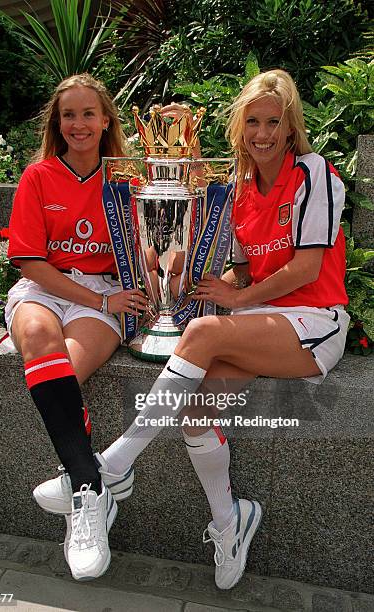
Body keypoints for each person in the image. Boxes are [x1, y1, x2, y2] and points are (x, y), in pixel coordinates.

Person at [34, 69, 349, 589]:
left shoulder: (315, 173)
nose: (263, 134)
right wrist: (192, 287)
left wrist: (234, 299)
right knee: (194, 413)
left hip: (315, 322)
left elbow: (307, 268)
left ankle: (109, 468)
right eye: (253, 122)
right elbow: (244, 270)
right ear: (239, 128)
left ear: (291, 129)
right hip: (262, 323)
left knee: (202, 334)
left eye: (274, 122)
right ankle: (230, 522)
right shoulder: (242, 191)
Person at [5, 73, 148, 581]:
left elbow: (145, 249)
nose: (79, 124)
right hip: (49, 289)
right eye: (69, 115)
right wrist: (97, 297)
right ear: (57, 123)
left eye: (89, 113)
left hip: (107, 294)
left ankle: (79, 486)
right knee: (41, 340)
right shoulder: (39, 176)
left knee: (63, 366)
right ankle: (91, 484)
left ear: (106, 119)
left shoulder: (127, 179)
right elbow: (30, 263)